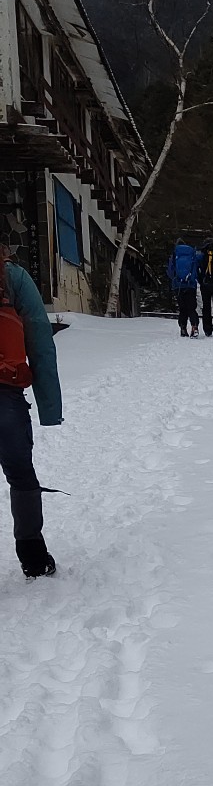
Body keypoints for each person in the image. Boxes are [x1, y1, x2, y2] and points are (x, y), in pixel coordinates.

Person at [0, 223, 62, 578]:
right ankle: (33, 556)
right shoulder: (14, 278)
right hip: (4, 395)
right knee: (21, 475)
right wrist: (49, 408)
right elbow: (39, 341)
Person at [167, 236, 201, 337]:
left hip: (179, 286)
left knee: (182, 308)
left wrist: (175, 280)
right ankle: (194, 327)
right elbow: (197, 268)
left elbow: (170, 271)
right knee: (192, 308)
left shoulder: (174, 255)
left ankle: (183, 328)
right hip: (191, 285)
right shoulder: (192, 254)